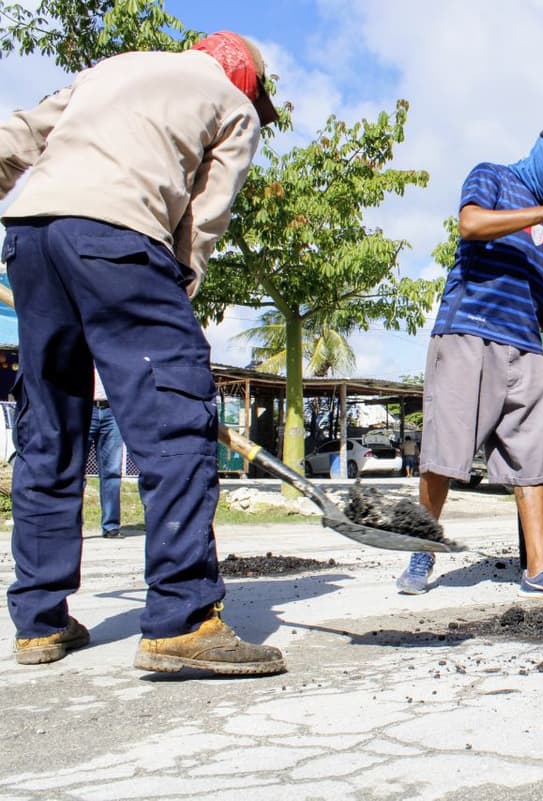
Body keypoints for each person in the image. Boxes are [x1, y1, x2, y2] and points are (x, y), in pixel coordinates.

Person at [1, 31, 287, 673]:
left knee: (48, 431)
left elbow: (19, 136)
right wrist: (174, 299)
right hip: (121, 240)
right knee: (176, 423)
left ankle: (40, 623)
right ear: (247, 78)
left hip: (31, 237)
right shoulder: (232, 105)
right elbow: (203, 221)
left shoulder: (112, 68)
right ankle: (182, 619)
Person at [397, 118, 543, 600]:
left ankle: (537, 568)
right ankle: (420, 552)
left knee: (536, 458)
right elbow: (471, 225)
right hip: (468, 333)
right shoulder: (492, 176)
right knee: (446, 452)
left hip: (526, 347)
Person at [89, 368, 125, 539]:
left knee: (112, 471)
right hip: (85, 409)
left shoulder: (111, 348)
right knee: (74, 471)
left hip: (112, 410)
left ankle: (111, 526)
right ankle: (71, 525)